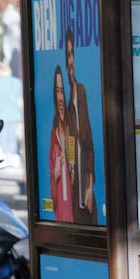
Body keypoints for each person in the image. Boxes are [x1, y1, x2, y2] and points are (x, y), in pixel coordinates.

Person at [65, 28, 97, 220]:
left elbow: (89, 145)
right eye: (67, 55)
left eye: (72, 55)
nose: (70, 61)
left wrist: (90, 185)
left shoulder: (81, 92)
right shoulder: (65, 103)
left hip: (86, 192)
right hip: (72, 194)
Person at [47, 67, 76, 224]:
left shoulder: (72, 128)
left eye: (62, 91)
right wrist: (56, 173)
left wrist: (72, 170)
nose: (60, 97)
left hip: (72, 201)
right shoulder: (54, 133)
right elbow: (51, 172)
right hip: (61, 199)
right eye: (57, 91)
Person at [0, 60, 22, 162]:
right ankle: (12, 156)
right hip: (15, 114)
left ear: (0, 71)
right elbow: (20, 100)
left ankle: (6, 156)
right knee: (12, 136)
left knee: (3, 136)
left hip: (2, 114)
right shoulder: (17, 82)